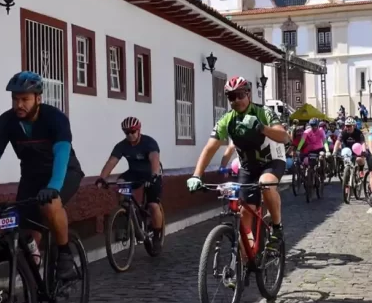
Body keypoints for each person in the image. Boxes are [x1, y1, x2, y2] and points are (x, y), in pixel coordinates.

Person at [0, 72, 84, 280]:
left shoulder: (55, 118)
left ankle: (64, 254)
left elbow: (62, 153)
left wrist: (53, 187)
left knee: (50, 205)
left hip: (64, 172)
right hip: (31, 177)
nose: (19, 104)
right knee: (25, 234)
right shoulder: (6, 122)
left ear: (38, 98)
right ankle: (33, 297)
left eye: (25, 99)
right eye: (15, 99)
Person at [187, 76, 289, 249]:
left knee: (266, 184)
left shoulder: (263, 112)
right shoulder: (227, 120)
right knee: (244, 218)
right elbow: (210, 148)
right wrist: (197, 175)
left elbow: (284, 137)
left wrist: (262, 128)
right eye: (231, 97)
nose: (236, 100)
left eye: (240, 95)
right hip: (248, 167)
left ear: (248, 94)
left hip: (272, 160)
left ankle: (277, 227)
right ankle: (247, 264)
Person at [95, 117, 164, 254]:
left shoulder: (149, 142)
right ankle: (127, 213)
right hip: (134, 173)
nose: (130, 135)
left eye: (133, 131)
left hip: (151, 173)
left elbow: (154, 159)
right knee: (121, 183)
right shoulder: (122, 146)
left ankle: (156, 236)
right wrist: (102, 178)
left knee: (152, 205)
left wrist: (155, 175)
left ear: (139, 130)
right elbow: (111, 162)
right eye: (127, 132)